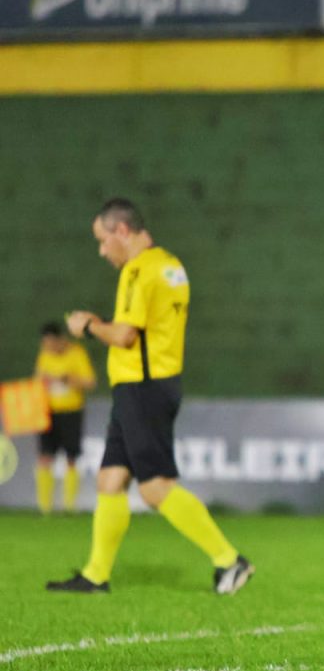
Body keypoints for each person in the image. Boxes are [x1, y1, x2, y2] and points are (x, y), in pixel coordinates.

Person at [46, 198, 253, 595]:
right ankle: (95, 575)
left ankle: (229, 559)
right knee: (110, 480)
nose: (102, 250)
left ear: (123, 231)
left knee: (154, 487)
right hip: (146, 386)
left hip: (143, 389)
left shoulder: (138, 270)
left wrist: (88, 325)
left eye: (103, 240)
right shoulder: (171, 265)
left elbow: (125, 335)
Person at [34, 321, 96, 513]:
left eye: (52, 343)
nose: (49, 347)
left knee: (71, 457)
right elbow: (37, 380)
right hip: (47, 412)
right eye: (46, 344)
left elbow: (90, 382)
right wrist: (42, 381)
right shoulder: (44, 356)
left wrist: (66, 379)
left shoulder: (77, 353)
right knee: (45, 456)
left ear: (61, 339)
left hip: (71, 411)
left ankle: (69, 506)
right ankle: (45, 508)